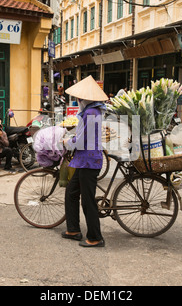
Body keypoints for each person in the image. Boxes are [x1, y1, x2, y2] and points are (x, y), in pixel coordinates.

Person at [62, 75, 107, 248]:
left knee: (87, 200)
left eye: (79, 98)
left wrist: (68, 142)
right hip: (84, 160)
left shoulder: (90, 113)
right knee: (72, 192)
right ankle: (73, 229)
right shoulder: (92, 111)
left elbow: (80, 141)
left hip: (88, 161)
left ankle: (95, 237)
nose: (78, 100)